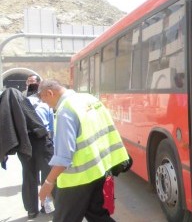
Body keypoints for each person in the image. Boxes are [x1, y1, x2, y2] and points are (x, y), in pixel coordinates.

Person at [38, 79, 130, 222]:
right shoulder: (89, 98)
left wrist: (48, 183)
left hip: (76, 179)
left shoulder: (65, 111)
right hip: (100, 170)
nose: (47, 105)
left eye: (44, 100)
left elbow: (63, 157)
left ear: (50, 93)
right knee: (97, 215)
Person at [0, 87, 54, 219]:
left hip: (24, 144)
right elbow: (50, 126)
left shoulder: (10, 101)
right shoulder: (41, 104)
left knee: (29, 176)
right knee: (48, 176)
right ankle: (48, 206)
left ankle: (31, 210)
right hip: (42, 142)